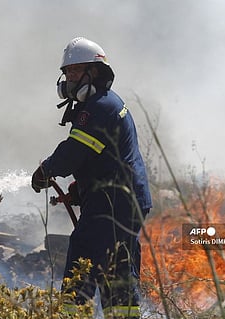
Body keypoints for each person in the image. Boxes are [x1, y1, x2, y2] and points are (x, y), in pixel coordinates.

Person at [31, 37, 152, 318]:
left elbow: (74, 152)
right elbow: (103, 156)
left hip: (114, 205)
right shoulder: (106, 102)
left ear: (94, 72)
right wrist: (82, 187)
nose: (69, 78)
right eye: (67, 72)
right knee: (101, 265)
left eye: (75, 71)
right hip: (116, 200)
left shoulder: (98, 108)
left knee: (97, 266)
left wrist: (45, 171)